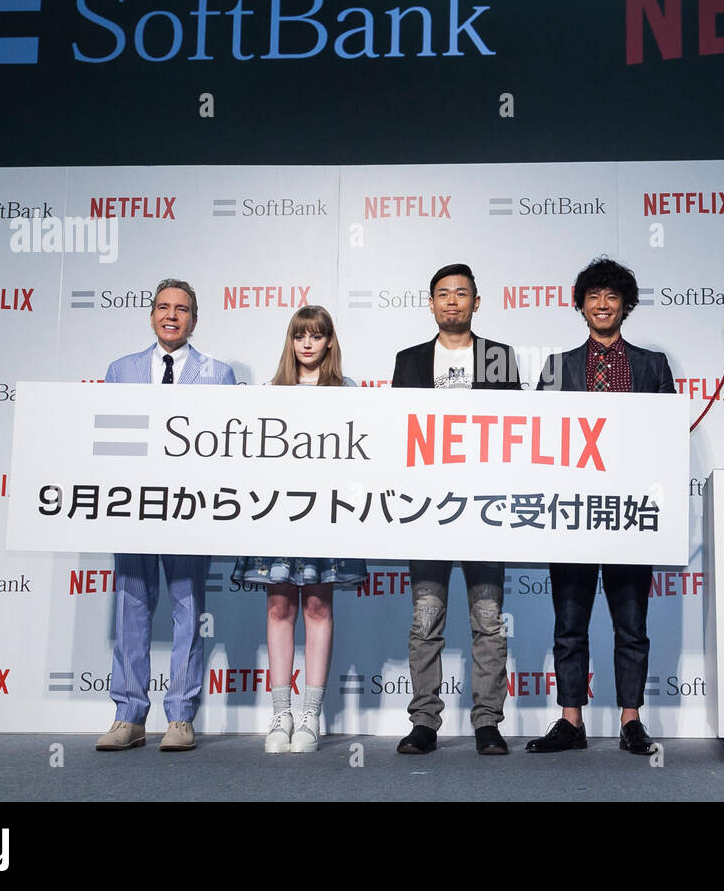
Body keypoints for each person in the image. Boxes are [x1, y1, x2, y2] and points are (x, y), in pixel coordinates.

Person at [528, 257, 674, 756]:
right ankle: (571, 721)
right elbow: (541, 444)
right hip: (571, 514)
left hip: (631, 515)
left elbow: (668, 444)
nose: (603, 304)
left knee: (631, 624)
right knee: (569, 623)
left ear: (626, 304)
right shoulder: (558, 368)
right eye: (594, 295)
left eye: (612, 296)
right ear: (581, 304)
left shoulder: (653, 366)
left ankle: (631, 721)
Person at [97, 279, 236, 752]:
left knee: (188, 607)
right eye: (163, 307)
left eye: (181, 309)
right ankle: (128, 716)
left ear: (194, 319)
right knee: (131, 606)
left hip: (190, 506)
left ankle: (180, 717)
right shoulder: (121, 370)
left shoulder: (219, 374)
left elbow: (228, 443)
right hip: (132, 504)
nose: (171, 315)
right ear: (152, 314)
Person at [390, 264, 520, 756]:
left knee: (488, 620)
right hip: (427, 510)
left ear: (476, 301)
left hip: (485, 508)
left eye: (461, 294)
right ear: (431, 303)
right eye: (442, 294)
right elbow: (396, 433)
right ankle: (425, 722)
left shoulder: (498, 358)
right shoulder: (409, 360)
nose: (451, 302)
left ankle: (487, 723)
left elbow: (516, 433)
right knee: (426, 619)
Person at [232, 306, 365, 753]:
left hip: (327, 513)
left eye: (317, 335)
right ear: (290, 342)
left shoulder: (348, 391)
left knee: (319, 608)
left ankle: (311, 714)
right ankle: (280, 715)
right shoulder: (270, 392)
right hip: (278, 514)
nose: (307, 344)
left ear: (329, 342)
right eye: (299, 336)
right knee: (277, 610)